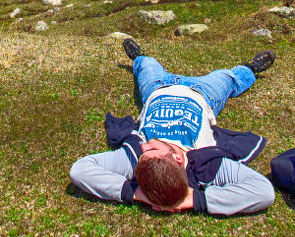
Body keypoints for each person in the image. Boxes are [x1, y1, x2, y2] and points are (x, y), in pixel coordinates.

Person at [69, 38, 276, 216]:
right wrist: (197, 200)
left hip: (157, 88)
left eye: (145, 152)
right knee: (228, 77)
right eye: (152, 150)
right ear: (177, 158)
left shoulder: (136, 161)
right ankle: (250, 68)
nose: (144, 146)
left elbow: (80, 170)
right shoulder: (207, 168)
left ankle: (139, 57)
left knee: (147, 65)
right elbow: (263, 192)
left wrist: (134, 192)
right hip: (203, 93)